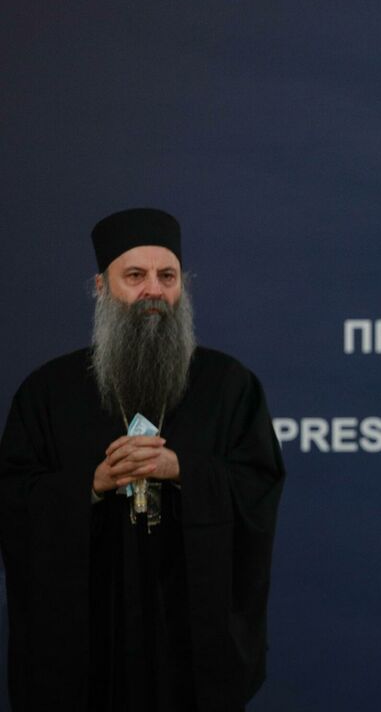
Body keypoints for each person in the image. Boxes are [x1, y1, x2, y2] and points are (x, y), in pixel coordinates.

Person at [0, 208, 285, 711]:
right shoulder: (48, 392)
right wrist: (90, 484)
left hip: (190, 639)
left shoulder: (229, 386)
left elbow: (258, 483)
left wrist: (182, 470)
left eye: (167, 276)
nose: (153, 290)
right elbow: (11, 495)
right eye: (135, 276)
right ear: (101, 287)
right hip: (91, 641)